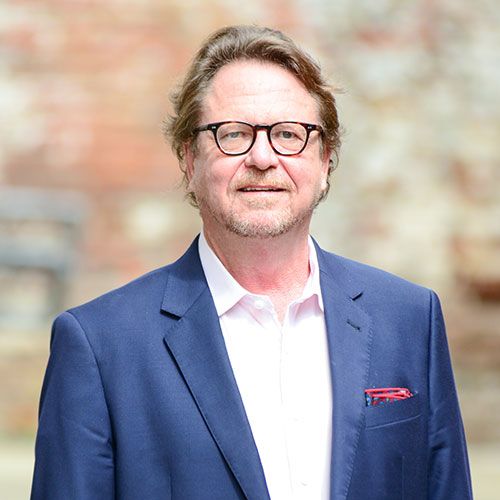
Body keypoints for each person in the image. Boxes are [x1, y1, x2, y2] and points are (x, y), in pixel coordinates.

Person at [31, 25, 472, 500]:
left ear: (325, 160)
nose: (263, 157)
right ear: (189, 159)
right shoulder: (100, 346)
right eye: (234, 134)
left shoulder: (409, 319)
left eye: (289, 134)